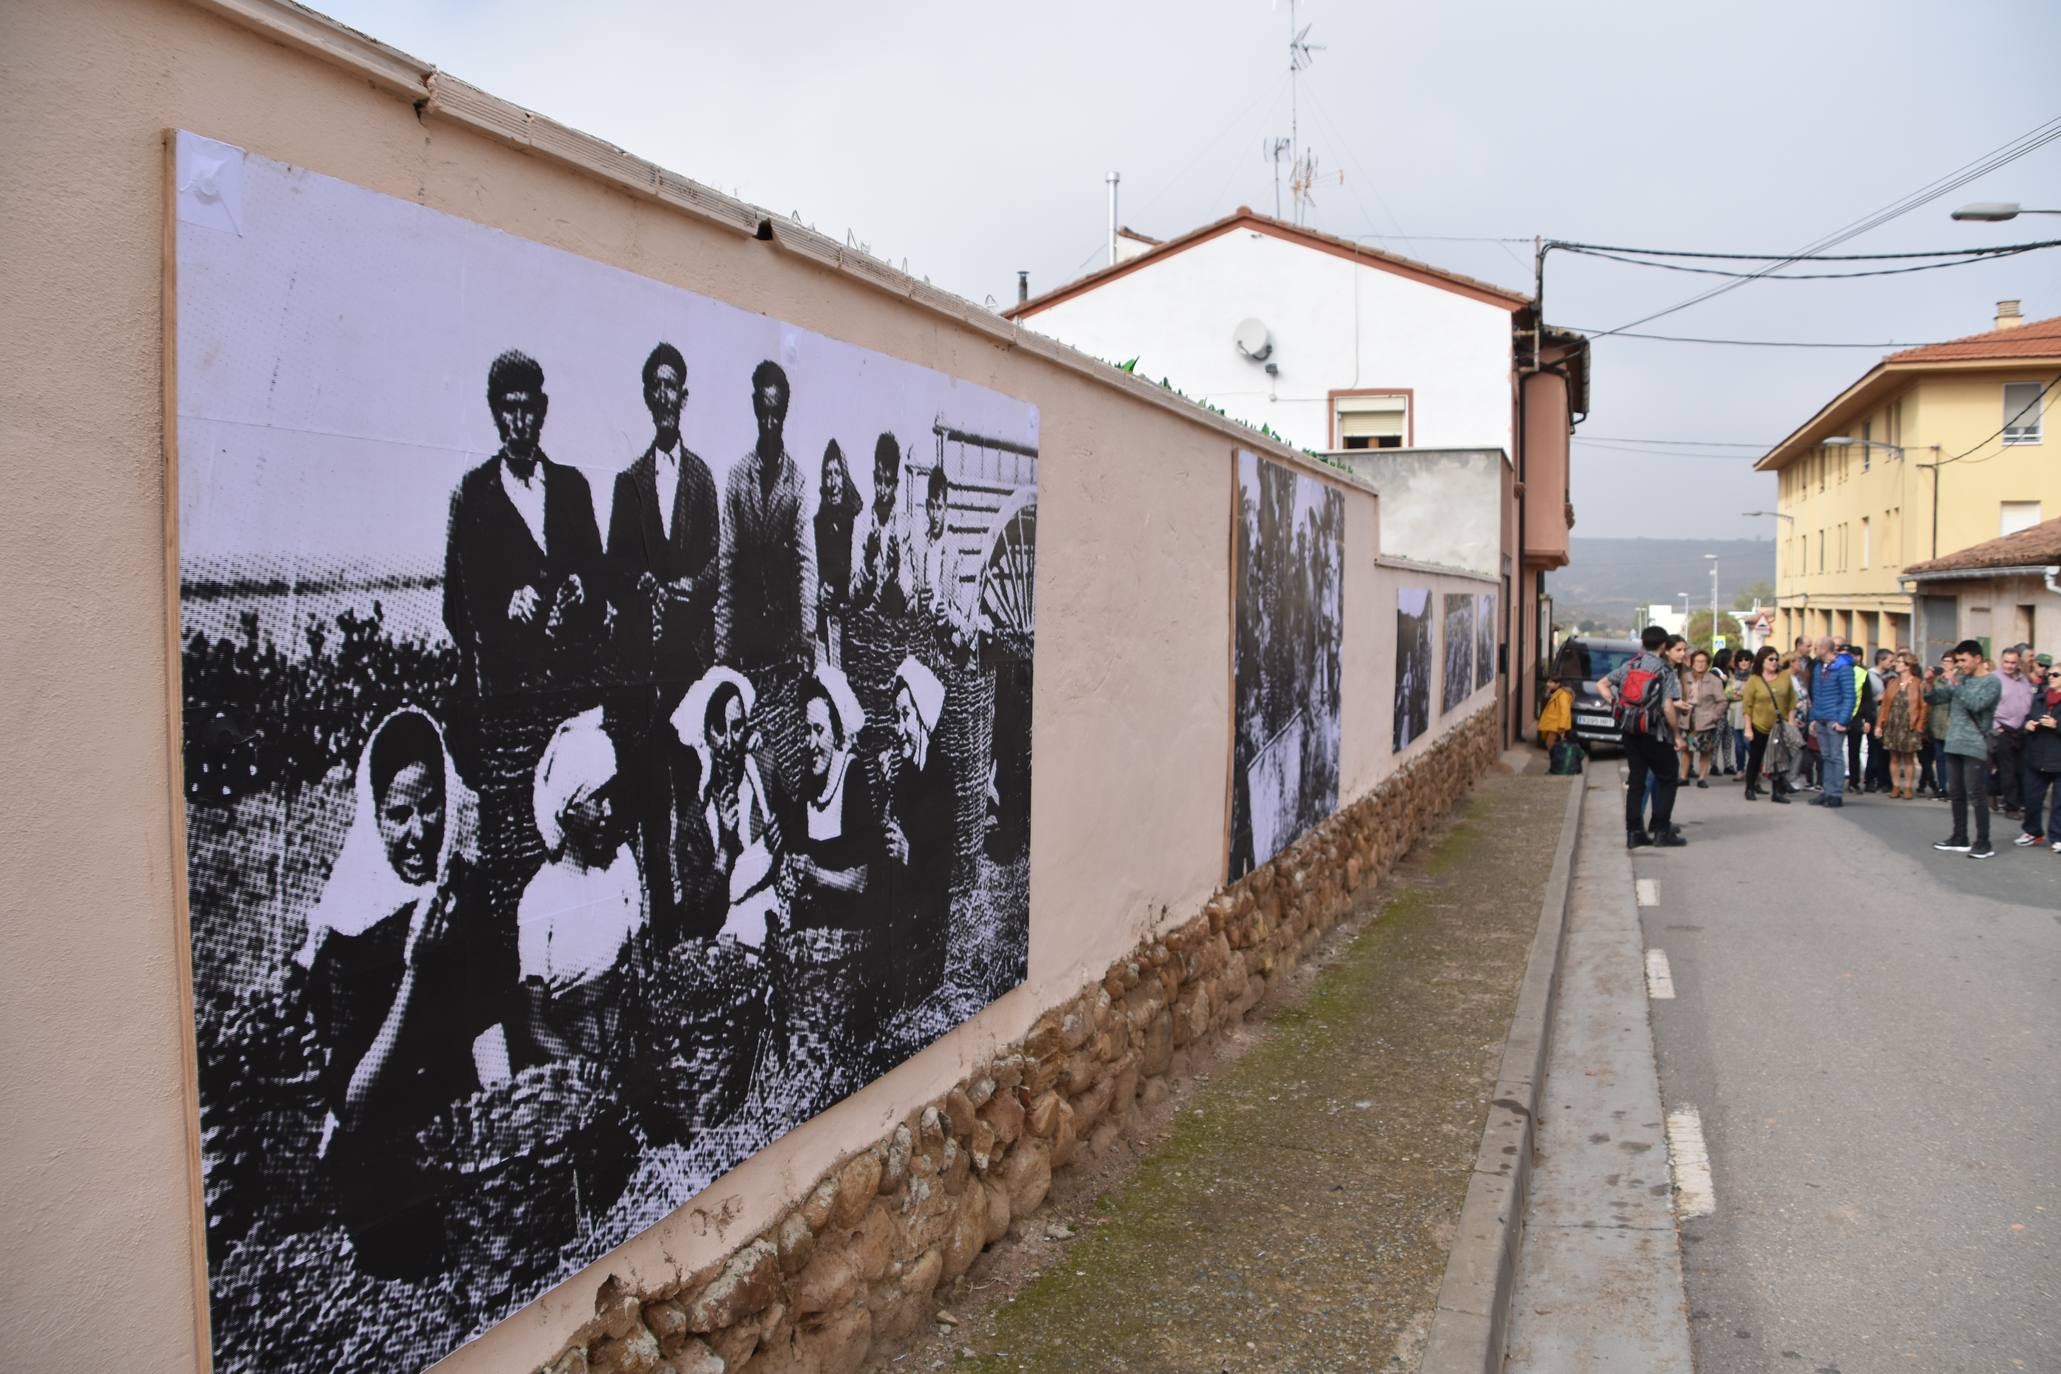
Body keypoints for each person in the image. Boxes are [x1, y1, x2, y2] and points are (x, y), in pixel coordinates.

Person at [296, 708, 511, 1277]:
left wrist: (505, 1122)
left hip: (455, 1134)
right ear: (374, 817)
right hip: (387, 1164)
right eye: (398, 815)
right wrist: (415, 970)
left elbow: (485, 1021)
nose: (419, 832)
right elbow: (355, 1105)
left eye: (429, 806)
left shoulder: (458, 888)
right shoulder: (350, 931)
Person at [444, 349, 607, 923]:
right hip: (509, 718)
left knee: (574, 839)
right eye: (507, 411)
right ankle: (520, 986)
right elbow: (456, 611)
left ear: (543, 412)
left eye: (527, 410)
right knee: (514, 856)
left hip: (567, 707)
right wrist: (500, 605)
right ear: (495, 415)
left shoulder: (572, 489)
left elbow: (599, 574)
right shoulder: (473, 498)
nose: (518, 424)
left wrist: (583, 592)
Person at [607, 342, 721, 938]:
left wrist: (686, 589)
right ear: (648, 399)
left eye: (672, 385)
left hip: (691, 668)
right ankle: (662, 926)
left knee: (693, 792)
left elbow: (715, 566)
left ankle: (702, 915)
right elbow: (614, 569)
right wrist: (641, 584)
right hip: (648, 673)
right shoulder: (629, 484)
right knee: (653, 801)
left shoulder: (702, 480)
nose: (664, 397)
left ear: (684, 395)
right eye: (655, 387)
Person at [517, 708, 648, 1064]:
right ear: (568, 808)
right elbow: (535, 1024)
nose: (608, 810)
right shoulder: (539, 899)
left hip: (625, 1044)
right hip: (575, 1066)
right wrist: (585, 1068)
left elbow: (638, 962)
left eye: (610, 796)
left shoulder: (621, 862)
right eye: (596, 799)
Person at [672, 665, 788, 945]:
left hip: (776, 928)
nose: (728, 743)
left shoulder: (764, 774)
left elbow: (798, 825)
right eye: (720, 730)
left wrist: (784, 832)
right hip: (726, 947)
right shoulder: (697, 818)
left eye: (736, 728)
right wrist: (724, 849)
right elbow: (694, 914)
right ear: (706, 735)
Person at [718, 360, 815, 672]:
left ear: (785, 413)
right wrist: (722, 649)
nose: (770, 423)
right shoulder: (736, 478)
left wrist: (806, 639)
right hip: (745, 640)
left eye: (777, 415)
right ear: (755, 409)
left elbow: (806, 565)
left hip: (785, 641)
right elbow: (727, 565)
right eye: (764, 414)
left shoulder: (797, 482)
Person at [882, 656, 958, 1005]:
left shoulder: (941, 780)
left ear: (924, 720)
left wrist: (909, 854)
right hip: (902, 923)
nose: (898, 729)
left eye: (905, 716)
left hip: (926, 937)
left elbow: (942, 870)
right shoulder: (906, 776)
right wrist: (887, 789)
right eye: (896, 718)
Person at [785, 664, 878, 932]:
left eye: (819, 730)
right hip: (813, 926)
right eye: (806, 731)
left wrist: (815, 874)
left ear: (837, 732)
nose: (810, 743)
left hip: (849, 929)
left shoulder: (853, 776)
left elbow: (859, 881)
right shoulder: (810, 779)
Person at [1596, 625, 1687, 849]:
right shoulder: (1664, 671)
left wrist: (1618, 706)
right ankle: (1661, 830)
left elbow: (1602, 684)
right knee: (1668, 777)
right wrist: (1676, 735)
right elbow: (1667, 707)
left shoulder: (1630, 664)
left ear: (1643, 643)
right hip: (1654, 731)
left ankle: (1634, 833)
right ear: (1665, 646)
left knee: (1636, 781)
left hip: (1630, 730)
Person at [1928, 640, 2003, 859]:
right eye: (1957, 660)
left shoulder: (1992, 682)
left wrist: (1955, 683)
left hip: (1975, 744)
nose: (1960, 664)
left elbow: (1977, 704)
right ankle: (1959, 837)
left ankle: (1983, 842)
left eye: (1963, 660)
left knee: (1976, 794)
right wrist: (1929, 684)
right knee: (1957, 793)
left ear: (1977, 658)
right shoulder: (1960, 679)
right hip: (1953, 741)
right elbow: (1935, 699)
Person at [912, 466, 976, 657]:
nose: (935, 515)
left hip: (945, 642)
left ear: (946, 507)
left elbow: (961, 611)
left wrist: (948, 615)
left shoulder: (952, 553)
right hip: (921, 637)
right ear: (926, 506)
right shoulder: (919, 547)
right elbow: (908, 595)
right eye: (931, 507)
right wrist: (918, 602)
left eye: (939, 507)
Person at [813, 441, 863, 664]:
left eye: (837, 474)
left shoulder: (856, 523)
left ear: (845, 478)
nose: (832, 483)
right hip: (823, 625)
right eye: (827, 475)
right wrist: (819, 591)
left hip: (851, 626)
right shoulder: (817, 525)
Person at [850, 432, 911, 617]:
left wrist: (898, 569)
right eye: (878, 481)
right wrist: (868, 561)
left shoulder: (905, 526)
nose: (882, 490)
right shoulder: (861, 523)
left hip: (895, 631)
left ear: (897, 484)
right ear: (873, 477)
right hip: (865, 634)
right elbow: (852, 594)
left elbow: (910, 596)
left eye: (888, 483)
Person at [2016, 655, 2061, 850]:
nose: (2050, 677)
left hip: (2058, 758)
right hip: (2036, 755)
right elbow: (2026, 718)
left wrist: (2057, 725)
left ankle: (2057, 836)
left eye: (2056, 674)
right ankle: (2033, 832)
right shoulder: (2040, 698)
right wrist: (2027, 725)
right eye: (2050, 673)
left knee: (2059, 803)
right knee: (2032, 798)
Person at [1741, 645, 1795, 802]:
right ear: (1761, 661)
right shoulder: (1754, 680)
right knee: (1755, 758)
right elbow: (1747, 706)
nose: (1774, 662)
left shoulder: (1785, 676)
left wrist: (1790, 721)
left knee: (1779, 760)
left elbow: (1792, 700)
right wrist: (1748, 728)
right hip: (1759, 726)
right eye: (1770, 659)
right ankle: (1750, 788)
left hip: (1779, 727)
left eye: (1776, 659)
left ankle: (1777, 792)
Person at [1873, 652, 1929, 800]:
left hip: (1909, 724)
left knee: (1909, 758)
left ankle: (1909, 787)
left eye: (1899, 662)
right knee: (1894, 757)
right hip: (1893, 723)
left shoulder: (1918, 683)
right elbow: (1884, 705)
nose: (1896, 664)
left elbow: (1923, 706)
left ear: (1908, 666)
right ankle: (1896, 786)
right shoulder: (1893, 682)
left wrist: (1920, 725)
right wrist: (1880, 725)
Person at [1808, 636, 1855, 808]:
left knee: (1835, 756)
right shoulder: (1819, 667)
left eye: (1816, 647)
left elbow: (1849, 696)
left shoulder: (1843, 668)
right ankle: (1827, 791)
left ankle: (1835, 794)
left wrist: (1843, 720)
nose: (1814, 650)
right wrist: (1813, 718)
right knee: (1825, 756)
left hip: (1834, 718)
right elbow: (1815, 694)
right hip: (1821, 716)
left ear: (1824, 649)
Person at [1991, 645, 2035, 820]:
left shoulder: (2024, 680)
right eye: (2006, 662)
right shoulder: (1994, 679)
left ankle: (1991, 790)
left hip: (2022, 730)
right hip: (2003, 729)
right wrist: (1996, 727)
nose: (2009, 666)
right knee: (2008, 769)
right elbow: (1988, 706)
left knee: (2020, 769)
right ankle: (2011, 806)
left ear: (2018, 663)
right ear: (2002, 661)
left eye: (2013, 662)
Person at [1678, 649, 1726, 788]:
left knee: (1705, 750)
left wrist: (1713, 716)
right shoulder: (1684, 678)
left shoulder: (1714, 681)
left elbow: (1722, 701)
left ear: (1708, 664)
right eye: (1697, 661)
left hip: (1706, 721)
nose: (1700, 664)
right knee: (1686, 749)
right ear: (1692, 663)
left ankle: (1701, 778)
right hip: (1687, 720)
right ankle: (1683, 777)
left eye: (1703, 662)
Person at [1863, 650, 1895, 793]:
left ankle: (1885, 781)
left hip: (1889, 717)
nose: (1892, 663)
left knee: (1886, 750)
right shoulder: (1869, 675)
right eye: (1889, 660)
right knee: (1873, 749)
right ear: (1880, 660)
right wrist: (1877, 699)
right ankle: (1870, 779)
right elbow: (1865, 697)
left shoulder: (1893, 676)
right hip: (1874, 715)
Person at [1920, 656, 1952, 799]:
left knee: (1952, 760)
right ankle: (1942, 787)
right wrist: (1928, 682)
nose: (1946, 665)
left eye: (1949, 662)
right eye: (1944, 662)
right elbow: (1928, 697)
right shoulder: (1937, 681)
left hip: (1952, 726)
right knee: (1940, 759)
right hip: (1937, 725)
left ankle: (1953, 787)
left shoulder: (1958, 680)